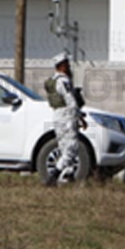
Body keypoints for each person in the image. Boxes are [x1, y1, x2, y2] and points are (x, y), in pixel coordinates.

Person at [43, 51, 86, 185]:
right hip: (67, 116)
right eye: (67, 64)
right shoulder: (64, 81)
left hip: (57, 115)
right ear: (62, 65)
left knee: (63, 147)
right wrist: (80, 117)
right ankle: (53, 176)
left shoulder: (53, 80)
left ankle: (68, 176)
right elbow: (71, 102)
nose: (69, 66)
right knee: (71, 147)